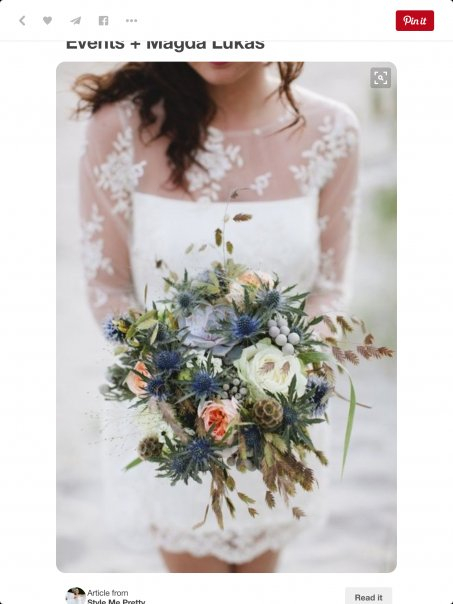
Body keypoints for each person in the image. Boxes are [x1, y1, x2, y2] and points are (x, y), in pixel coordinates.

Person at [75, 61, 359, 572]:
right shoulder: (120, 127)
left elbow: (330, 288)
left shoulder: (332, 130)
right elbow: (108, 285)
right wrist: (180, 390)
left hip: (282, 411)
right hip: (171, 414)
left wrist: (279, 380)